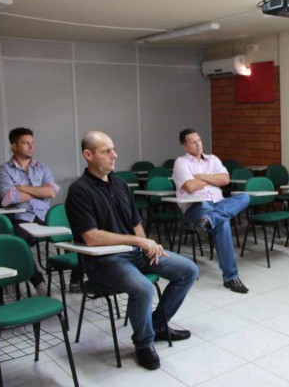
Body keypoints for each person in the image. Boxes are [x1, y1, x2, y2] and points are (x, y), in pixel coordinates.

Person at [65, 131, 198, 370]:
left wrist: (147, 244)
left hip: (134, 253)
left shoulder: (120, 184)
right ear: (88, 155)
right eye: (106, 151)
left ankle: (157, 325)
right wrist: (138, 242)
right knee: (144, 288)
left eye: (113, 149)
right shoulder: (79, 190)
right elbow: (92, 237)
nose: (114, 155)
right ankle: (143, 343)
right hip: (104, 261)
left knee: (188, 270)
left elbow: (136, 224)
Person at [172, 128, 250, 293]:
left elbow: (225, 179)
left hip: (218, 204)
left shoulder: (213, 159)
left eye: (199, 140)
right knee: (223, 222)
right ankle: (231, 277)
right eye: (193, 142)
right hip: (196, 206)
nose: (198, 144)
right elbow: (190, 186)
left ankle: (209, 221)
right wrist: (212, 180)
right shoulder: (181, 162)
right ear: (185, 146)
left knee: (244, 197)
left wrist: (199, 176)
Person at [0, 127, 58, 297]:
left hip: (45, 217)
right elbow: (9, 198)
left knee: (76, 229)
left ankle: (76, 280)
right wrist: (39, 191)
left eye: (32, 143)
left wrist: (21, 188)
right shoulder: (4, 170)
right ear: (14, 146)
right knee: (17, 243)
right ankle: (38, 282)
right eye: (25, 143)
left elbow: (51, 192)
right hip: (22, 218)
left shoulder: (42, 168)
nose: (31, 147)